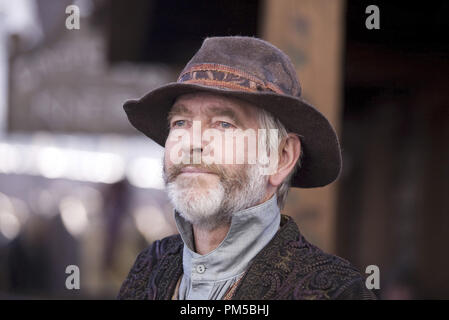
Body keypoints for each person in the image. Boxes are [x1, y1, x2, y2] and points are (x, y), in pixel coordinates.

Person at [117, 36, 376, 300]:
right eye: (181, 122)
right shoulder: (148, 267)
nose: (192, 143)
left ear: (281, 157)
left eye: (223, 124)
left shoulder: (336, 291)